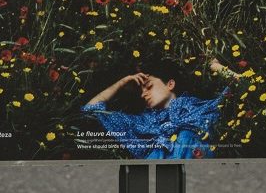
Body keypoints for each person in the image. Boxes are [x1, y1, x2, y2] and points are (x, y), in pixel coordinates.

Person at [83, 58, 241, 160]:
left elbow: (245, 88)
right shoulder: (140, 124)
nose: (144, 94)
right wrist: (123, 82)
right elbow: (91, 110)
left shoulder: (197, 108)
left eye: (149, 86)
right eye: (141, 92)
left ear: (170, 84)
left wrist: (215, 66)